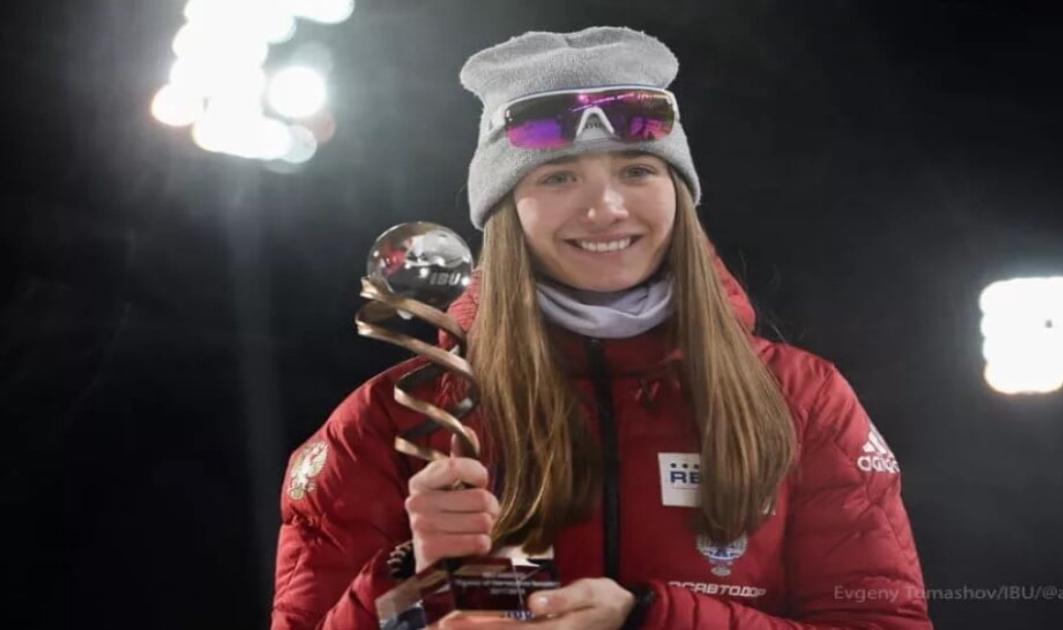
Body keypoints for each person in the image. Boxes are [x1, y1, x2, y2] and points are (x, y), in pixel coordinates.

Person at [271, 26, 932, 629]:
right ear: (506, 210)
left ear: (678, 191)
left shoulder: (802, 400)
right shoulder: (394, 420)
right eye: (559, 177)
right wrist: (409, 575)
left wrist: (650, 620)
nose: (605, 208)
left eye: (636, 170)